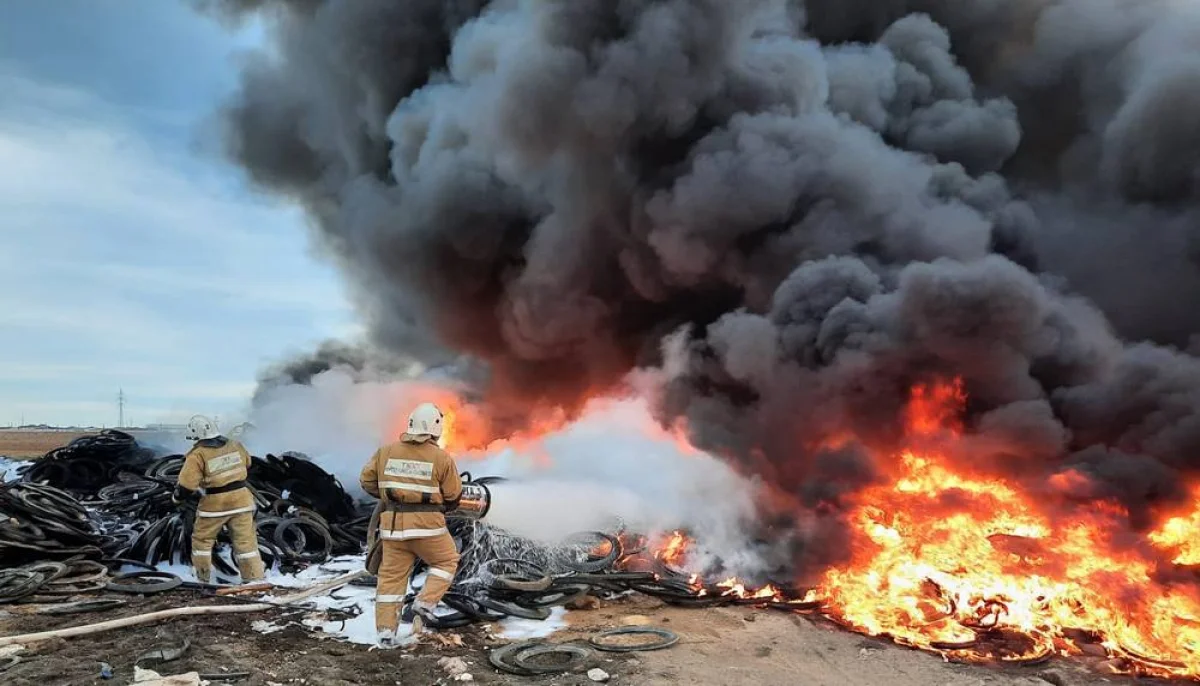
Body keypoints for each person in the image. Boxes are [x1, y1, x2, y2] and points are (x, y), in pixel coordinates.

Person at [359, 402, 463, 648]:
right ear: (434, 428)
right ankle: (425, 603)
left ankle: (385, 632)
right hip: (428, 527)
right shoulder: (440, 457)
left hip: (393, 528)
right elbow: (453, 495)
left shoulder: (385, 451)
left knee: (391, 580)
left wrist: (390, 497)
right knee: (446, 560)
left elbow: (367, 481)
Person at [173, 414, 265, 584]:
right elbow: (248, 463)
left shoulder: (197, 455)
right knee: (246, 543)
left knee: (202, 541)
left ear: (196, 434)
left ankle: (203, 579)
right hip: (242, 501)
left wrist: (177, 498)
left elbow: (187, 485)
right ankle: (254, 579)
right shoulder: (235, 445)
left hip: (215, 504)